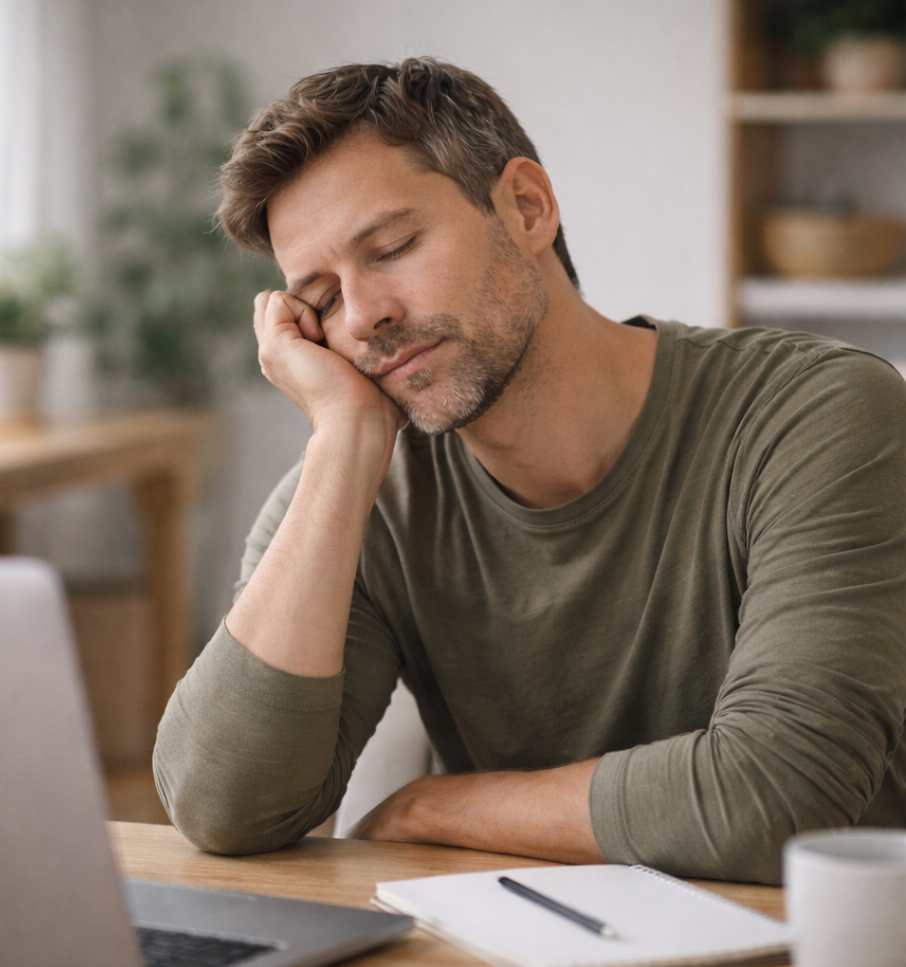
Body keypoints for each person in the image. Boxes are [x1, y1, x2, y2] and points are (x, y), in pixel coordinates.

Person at [153, 58, 906, 884]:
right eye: (322, 300)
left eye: (394, 247)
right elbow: (222, 807)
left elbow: (780, 796)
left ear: (526, 208)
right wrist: (341, 439)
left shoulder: (817, 413)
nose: (366, 318)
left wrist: (429, 807)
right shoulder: (359, 485)